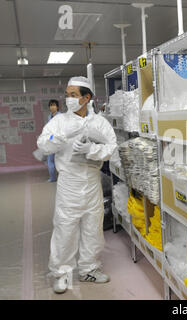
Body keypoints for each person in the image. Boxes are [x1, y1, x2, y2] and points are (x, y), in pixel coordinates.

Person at [37, 76, 117, 294]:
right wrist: (59, 138)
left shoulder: (99, 122)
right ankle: (61, 273)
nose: (68, 99)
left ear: (87, 97)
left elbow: (111, 147)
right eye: (67, 95)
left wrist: (91, 150)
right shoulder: (59, 121)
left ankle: (89, 268)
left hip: (92, 182)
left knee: (93, 228)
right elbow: (43, 144)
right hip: (69, 182)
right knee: (65, 228)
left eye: (73, 95)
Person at [47, 99, 60, 182]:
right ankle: (53, 178)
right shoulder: (49, 117)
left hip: (60, 141)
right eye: (51, 105)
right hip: (52, 141)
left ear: (57, 107)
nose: (52, 107)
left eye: (54, 105)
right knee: (50, 160)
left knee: (61, 160)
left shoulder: (60, 116)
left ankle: (63, 178)